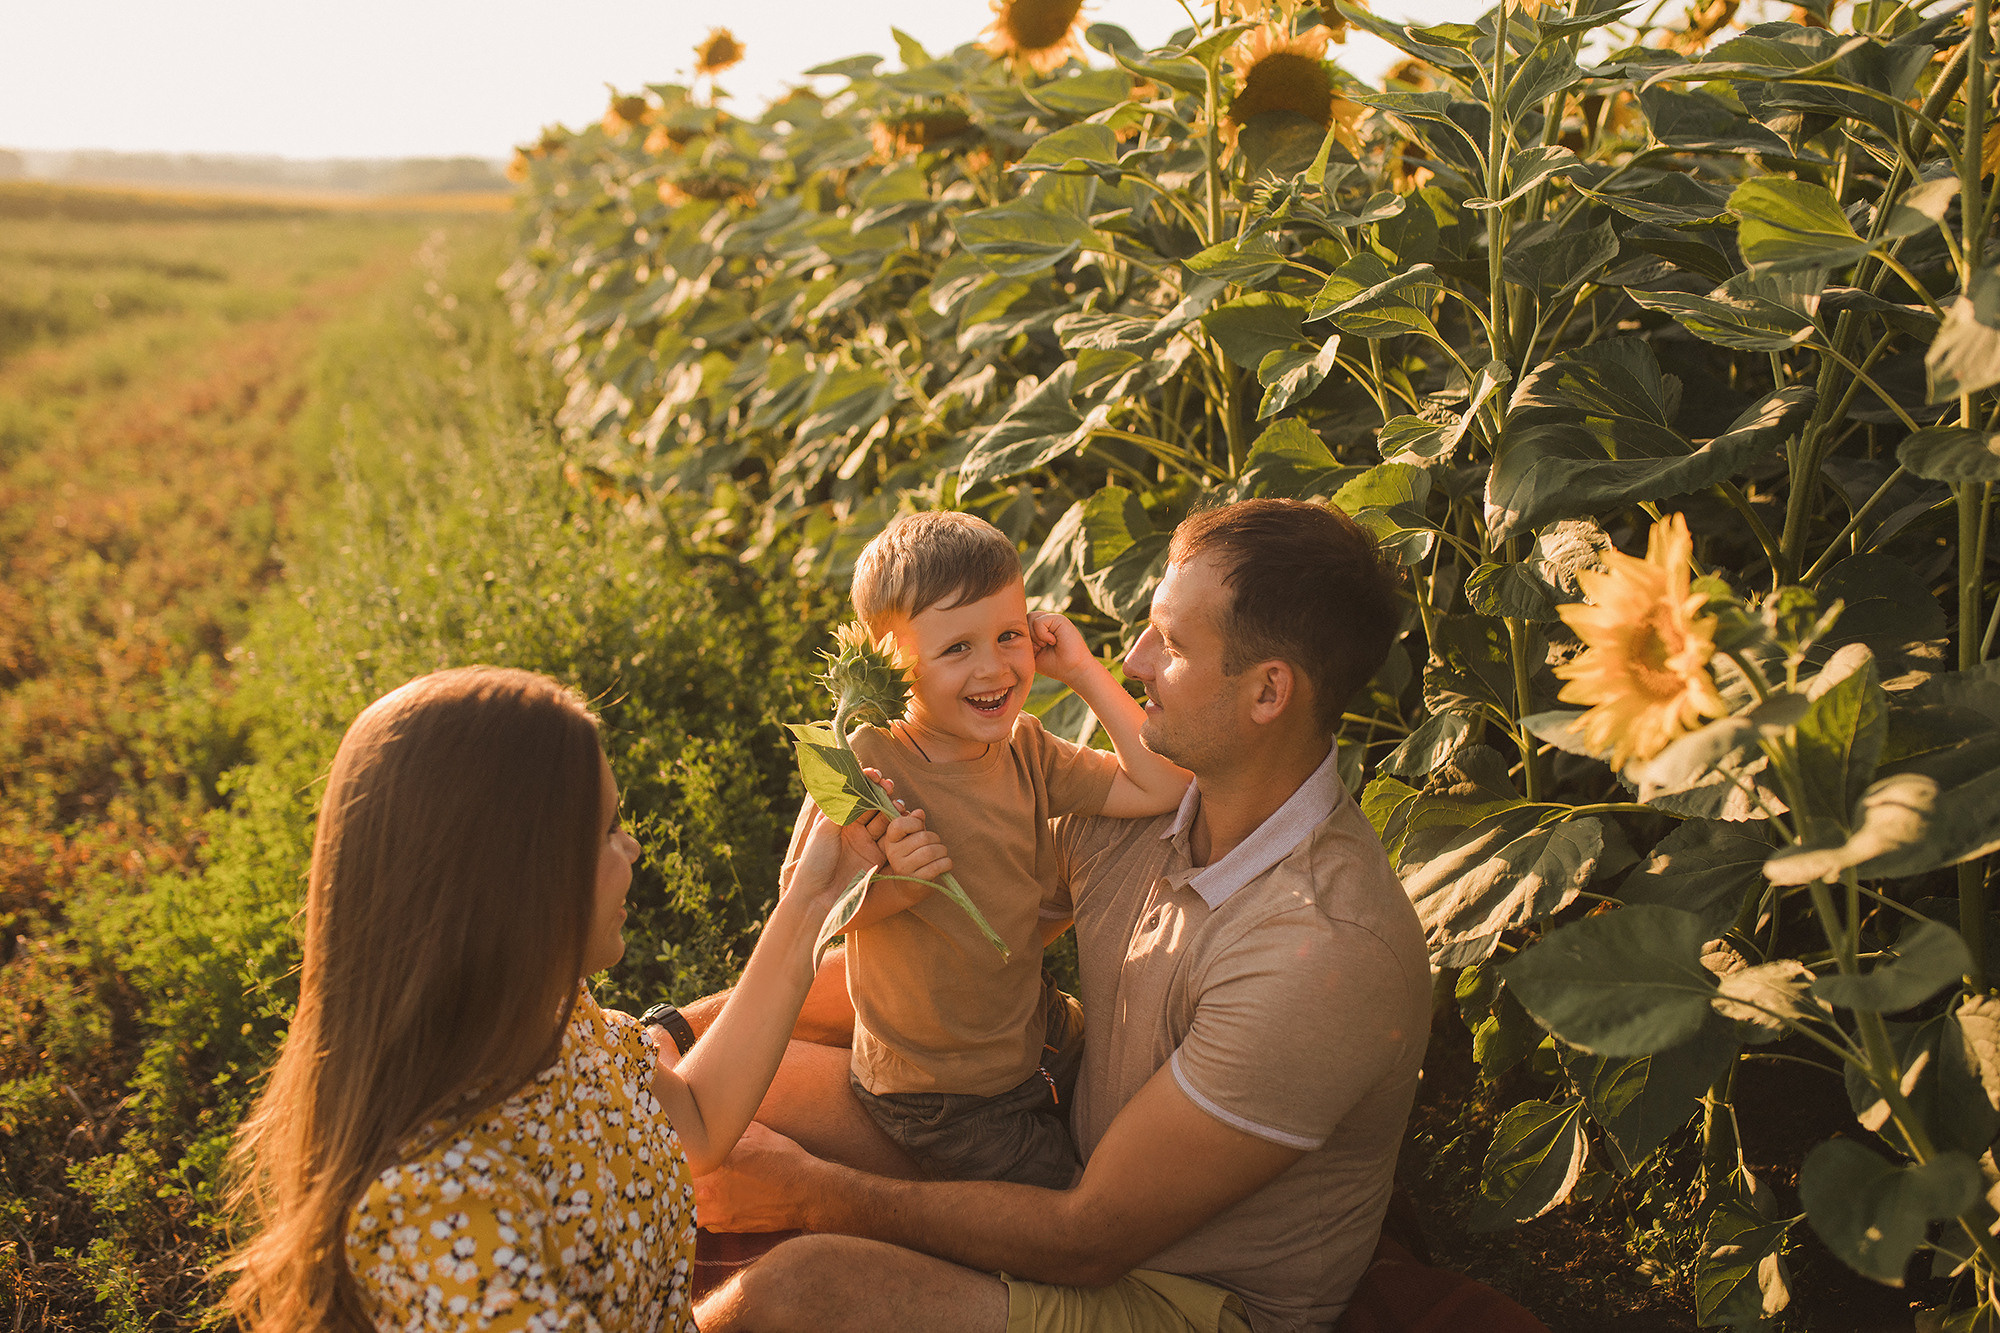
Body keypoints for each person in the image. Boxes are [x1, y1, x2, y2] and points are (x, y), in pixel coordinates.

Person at [686, 497, 1432, 1333]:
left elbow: (1087, 1240)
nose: (1135, 660)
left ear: (1268, 692)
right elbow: (964, 943)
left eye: (1173, 645)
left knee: (801, 1289)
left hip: (1188, 1293)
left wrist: (814, 1195)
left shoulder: (1320, 952)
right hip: (1045, 1108)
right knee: (747, 1095)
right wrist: (674, 1036)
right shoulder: (1150, 813)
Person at [216, 666, 873, 1332]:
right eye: (608, 829)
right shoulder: (440, 1215)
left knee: (809, 1280)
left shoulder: (550, 1021)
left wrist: (811, 899)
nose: (634, 846)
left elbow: (695, 1119)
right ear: (516, 881)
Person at [819, 510, 1193, 1189]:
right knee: (1070, 1201)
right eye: (956, 648)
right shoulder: (866, 762)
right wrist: (898, 884)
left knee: (1147, 1123)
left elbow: (1163, 783)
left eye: (1009, 635)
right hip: (940, 1093)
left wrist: (1079, 668)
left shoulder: (1025, 747)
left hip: (1035, 1031)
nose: (994, 666)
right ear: (888, 660)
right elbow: (809, 911)